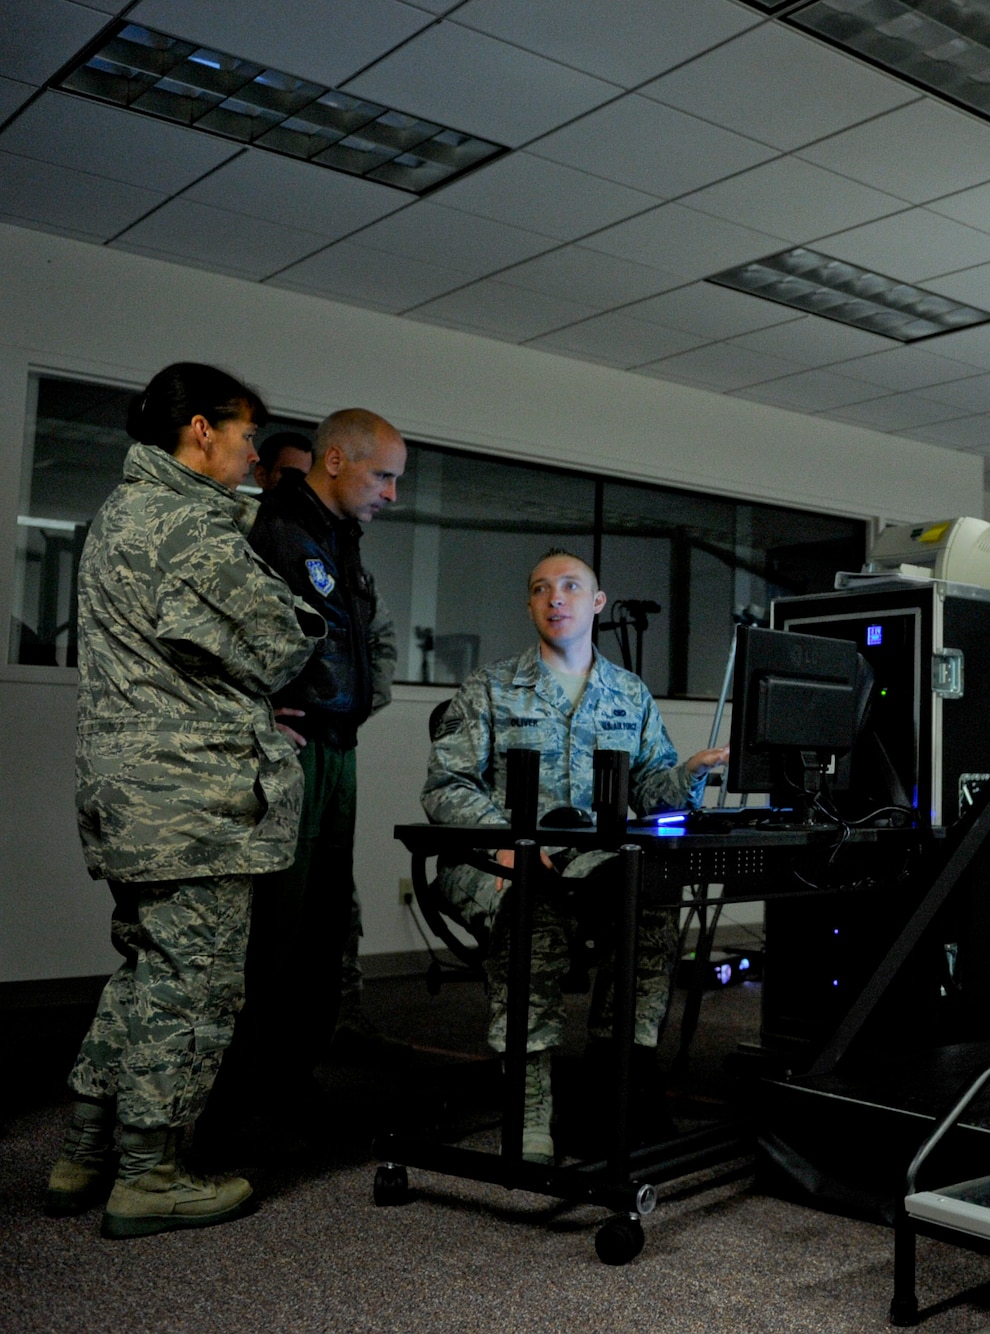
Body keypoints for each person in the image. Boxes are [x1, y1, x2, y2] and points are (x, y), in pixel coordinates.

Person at [48, 362, 323, 1237]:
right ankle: (151, 1175)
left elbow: (182, 653)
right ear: (198, 429)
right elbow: (280, 641)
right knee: (193, 986)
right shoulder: (184, 523)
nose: (253, 457)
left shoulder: (119, 514)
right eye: (246, 438)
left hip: (132, 789)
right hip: (188, 801)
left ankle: (85, 1150)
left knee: (143, 972)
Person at [422, 551, 725, 1163]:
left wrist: (689, 772)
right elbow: (445, 787)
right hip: (494, 861)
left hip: (590, 865)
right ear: (530, 605)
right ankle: (530, 1106)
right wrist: (505, 841)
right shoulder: (491, 687)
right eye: (540, 588)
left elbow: (648, 793)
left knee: (653, 905)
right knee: (534, 913)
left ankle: (615, 1083)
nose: (554, 598)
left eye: (569, 587)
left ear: (596, 602)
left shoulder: (628, 693)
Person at [213, 410, 404, 1135]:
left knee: (324, 933)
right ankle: (239, 1106)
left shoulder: (341, 541)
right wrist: (254, 715)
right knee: (274, 936)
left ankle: (290, 1084)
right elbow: (218, 641)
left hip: (336, 749)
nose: (391, 493)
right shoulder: (271, 532)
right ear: (334, 461)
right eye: (382, 475)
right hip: (289, 758)